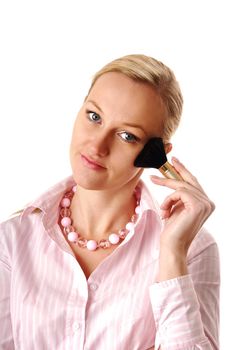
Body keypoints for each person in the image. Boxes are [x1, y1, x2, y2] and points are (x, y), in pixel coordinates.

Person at [0, 54, 220, 349]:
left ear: (156, 154)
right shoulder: (13, 241)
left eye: (127, 135)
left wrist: (172, 254)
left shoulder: (192, 249)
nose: (97, 145)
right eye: (94, 116)